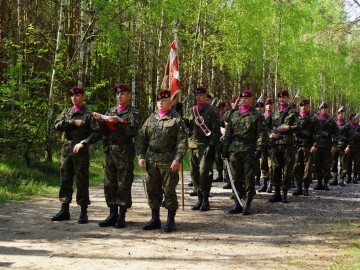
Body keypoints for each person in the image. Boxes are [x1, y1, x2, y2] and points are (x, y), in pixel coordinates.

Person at [138, 89, 188, 232]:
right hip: (152, 159)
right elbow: (142, 138)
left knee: (169, 190)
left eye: (164, 100)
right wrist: (141, 156)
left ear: (170, 102)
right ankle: (155, 219)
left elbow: (182, 142)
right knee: (152, 190)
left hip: (168, 160)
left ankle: (171, 220)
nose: (160, 103)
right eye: (158, 100)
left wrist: (177, 159)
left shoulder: (176, 119)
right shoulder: (151, 119)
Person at [92, 83, 140, 228]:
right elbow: (102, 132)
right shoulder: (110, 110)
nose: (120, 96)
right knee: (109, 183)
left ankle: (122, 214)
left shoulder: (133, 112)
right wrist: (100, 121)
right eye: (118, 94)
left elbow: (132, 130)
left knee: (123, 183)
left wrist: (119, 122)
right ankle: (112, 213)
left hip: (124, 151)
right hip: (109, 151)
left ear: (129, 96)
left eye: (123, 93)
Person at [52, 86, 100, 224]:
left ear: (84, 97)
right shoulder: (66, 112)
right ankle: (64, 209)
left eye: (78, 95)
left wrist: (84, 142)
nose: (75, 97)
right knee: (65, 179)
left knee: (82, 180)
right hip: (67, 150)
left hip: (81, 151)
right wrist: (73, 122)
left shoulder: (89, 114)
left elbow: (97, 133)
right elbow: (57, 125)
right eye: (72, 95)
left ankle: (83, 212)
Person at [222, 89, 266, 215]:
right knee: (235, 177)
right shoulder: (234, 115)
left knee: (248, 177)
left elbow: (261, 134)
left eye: (247, 98)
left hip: (249, 150)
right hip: (234, 151)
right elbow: (228, 133)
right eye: (242, 98)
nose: (244, 100)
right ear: (239, 99)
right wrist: (225, 149)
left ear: (251, 99)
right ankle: (237, 201)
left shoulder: (257, 115)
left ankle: (248, 202)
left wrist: (258, 149)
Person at [184, 86, 221, 211]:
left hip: (206, 146)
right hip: (193, 146)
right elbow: (184, 126)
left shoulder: (212, 111)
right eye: (196, 95)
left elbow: (216, 131)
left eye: (201, 95)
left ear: (206, 96)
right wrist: (177, 112)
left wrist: (211, 145)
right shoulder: (191, 110)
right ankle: (199, 197)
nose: (198, 97)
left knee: (204, 172)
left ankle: (205, 199)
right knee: (194, 174)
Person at [267, 89, 300, 203]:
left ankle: (285, 193)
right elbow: (265, 125)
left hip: (288, 145)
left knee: (287, 169)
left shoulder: (293, 111)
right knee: (275, 168)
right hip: (275, 145)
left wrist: (288, 128)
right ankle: (276, 193)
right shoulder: (274, 111)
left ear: (287, 98)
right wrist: (269, 134)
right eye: (280, 97)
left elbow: (298, 126)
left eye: (284, 97)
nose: (281, 99)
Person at [292, 99, 321, 196]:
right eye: (302, 105)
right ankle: (298, 187)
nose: (304, 107)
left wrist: (315, 145)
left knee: (307, 169)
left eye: (306, 105)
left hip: (308, 146)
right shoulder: (296, 117)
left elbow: (318, 134)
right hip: (297, 146)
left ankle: (306, 188)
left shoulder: (314, 119)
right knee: (297, 166)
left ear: (309, 106)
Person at [313, 102, 338, 190]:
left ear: (328, 109)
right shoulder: (316, 120)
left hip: (327, 146)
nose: (324, 110)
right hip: (317, 146)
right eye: (322, 108)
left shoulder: (332, 121)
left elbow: (336, 134)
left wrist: (334, 145)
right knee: (317, 165)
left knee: (326, 166)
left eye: (326, 108)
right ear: (320, 109)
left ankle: (326, 183)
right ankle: (319, 183)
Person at [329, 108, 352, 186]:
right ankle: (334, 178)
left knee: (343, 164)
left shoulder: (347, 125)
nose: (341, 114)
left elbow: (350, 137)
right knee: (333, 163)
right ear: (337, 114)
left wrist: (348, 146)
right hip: (334, 147)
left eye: (342, 113)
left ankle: (341, 179)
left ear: (344, 114)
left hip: (343, 147)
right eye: (339, 113)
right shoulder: (333, 123)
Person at [258, 98, 274, 193]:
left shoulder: (276, 116)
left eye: (270, 104)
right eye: (267, 104)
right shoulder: (261, 116)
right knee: (263, 164)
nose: (268, 105)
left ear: (273, 105)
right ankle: (264, 183)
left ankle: (270, 184)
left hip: (272, 143)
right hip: (263, 143)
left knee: (271, 164)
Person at [214, 101, 227, 183]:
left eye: (223, 108)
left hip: (225, 140)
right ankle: (220, 175)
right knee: (217, 157)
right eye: (220, 108)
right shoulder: (216, 116)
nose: (221, 109)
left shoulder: (227, 115)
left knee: (225, 158)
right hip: (218, 139)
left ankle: (227, 176)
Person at [254, 101, 265, 186]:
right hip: (254, 142)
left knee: (264, 164)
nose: (259, 108)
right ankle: (256, 178)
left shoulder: (266, 117)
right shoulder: (253, 117)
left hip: (265, 143)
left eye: (261, 107)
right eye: (257, 107)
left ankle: (265, 182)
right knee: (255, 162)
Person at [347, 113, 360, 184]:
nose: (355, 119)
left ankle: (355, 177)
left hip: (357, 148)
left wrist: (357, 134)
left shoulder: (359, 127)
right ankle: (349, 177)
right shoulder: (348, 126)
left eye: (356, 118)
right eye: (354, 118)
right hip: (349, 147)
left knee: (356, 163)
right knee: (348, 163)